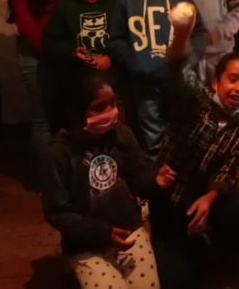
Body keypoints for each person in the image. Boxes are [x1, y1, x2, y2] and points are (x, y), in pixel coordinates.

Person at [152, 12, 239, 289]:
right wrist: (181, 34)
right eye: (233, 79)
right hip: (171, 201)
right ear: (215, 83)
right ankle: (192, 243)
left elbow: (231, 169)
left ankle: (221, 248)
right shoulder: (194, 102)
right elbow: (178, 70)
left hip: (204, 199)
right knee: (178, 280)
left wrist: (210, 199)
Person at [40, 71, 175, 289]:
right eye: (99, 107)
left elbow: (137, 178)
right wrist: (103, 232)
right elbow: (58, 212)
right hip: (85, 245)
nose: (111, 112)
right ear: (73, 110)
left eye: (113, 103)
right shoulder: (57, 153)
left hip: (129, 230)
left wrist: (155, 181)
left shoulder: (122, 134)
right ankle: (73, 270)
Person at [108, 0, 206, 158]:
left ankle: (183, 172)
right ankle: (158, 173)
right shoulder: (126, 0)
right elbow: (116, 39)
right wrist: (134, 65)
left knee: (184, 130)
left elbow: (199, 32)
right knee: (152, 135)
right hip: (144, 82)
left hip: (179, 78)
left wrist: (189, 59)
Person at [5, 0, 73, 156]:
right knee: (44, 119)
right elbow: (24, 19)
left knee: (68, 113)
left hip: (67, 49)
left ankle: (69, 169)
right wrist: (49, 50)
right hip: (38, 53)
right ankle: (49, 175)